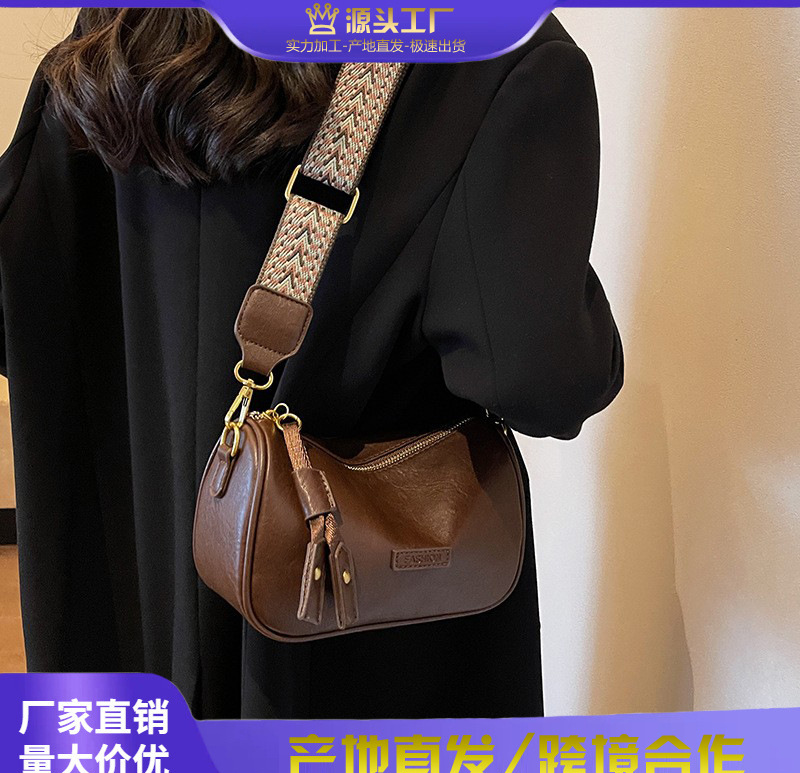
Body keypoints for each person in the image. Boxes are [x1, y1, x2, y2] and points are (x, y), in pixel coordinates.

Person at [0, 9, 623, 719]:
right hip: (357, 632)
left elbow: (20, 291)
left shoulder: (122, 28)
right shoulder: (494, 51)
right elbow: (536, 378)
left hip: (125, 600)